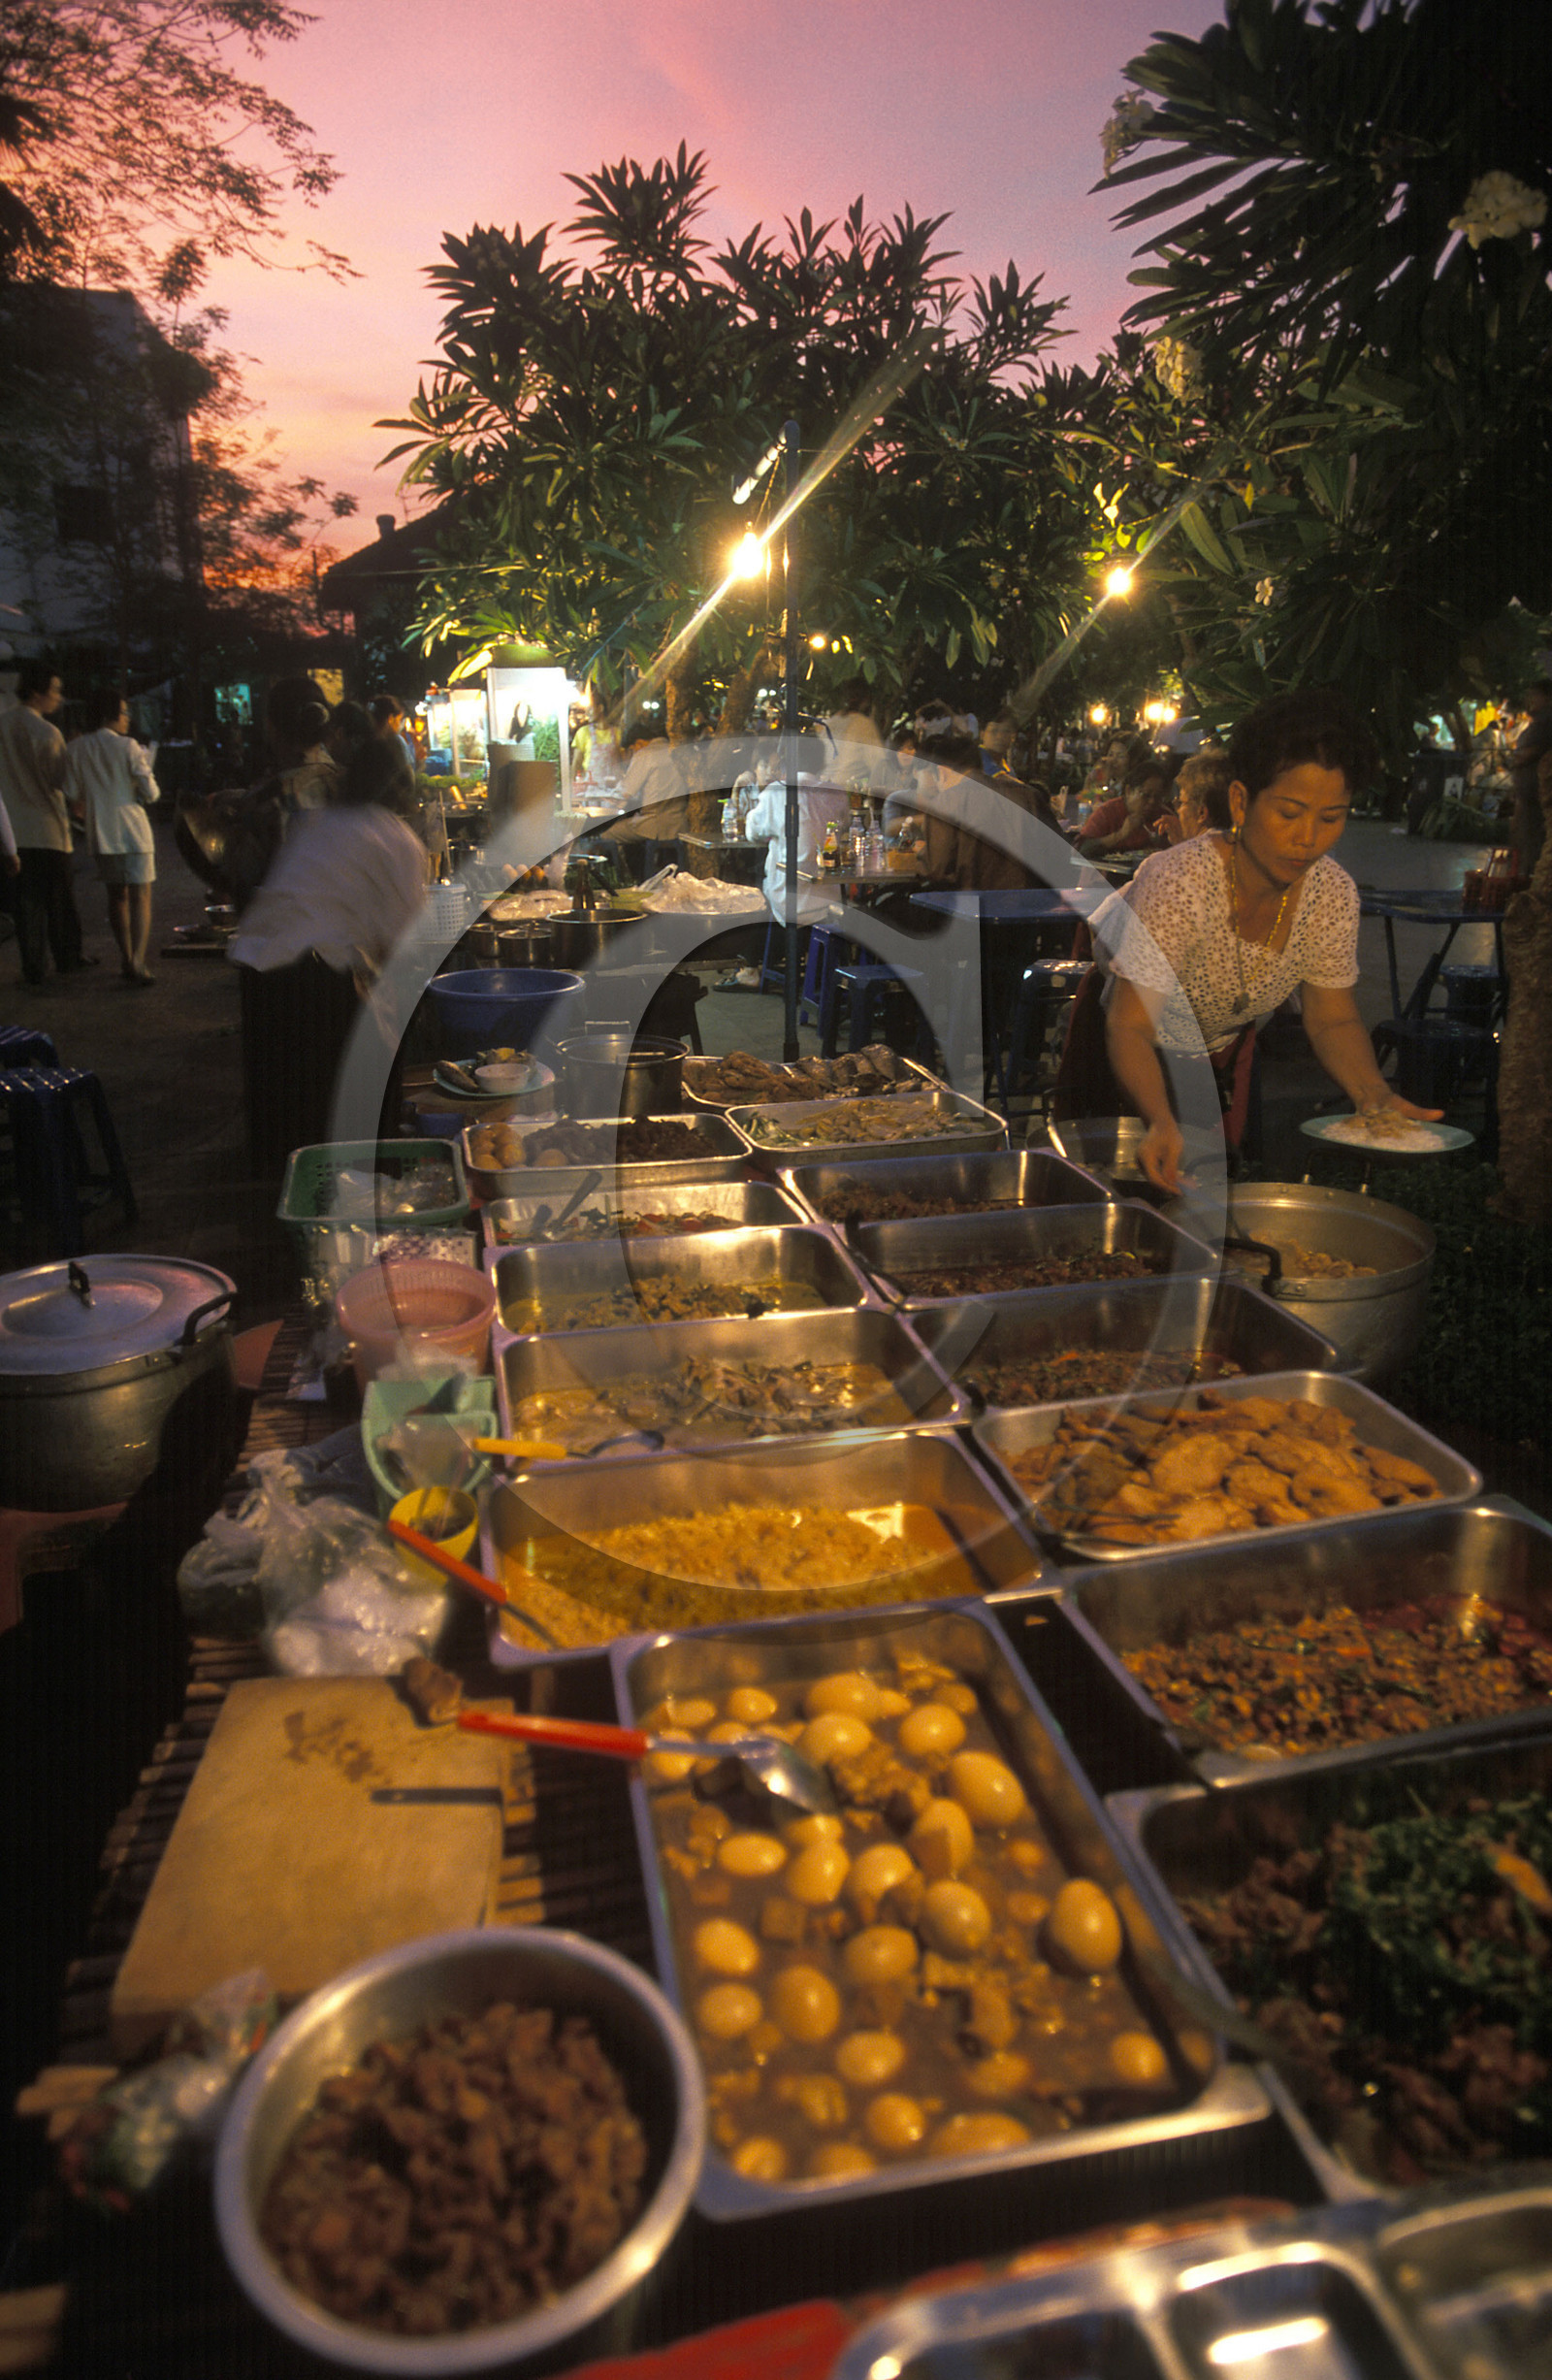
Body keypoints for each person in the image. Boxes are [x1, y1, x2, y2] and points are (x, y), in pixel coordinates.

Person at [1101, 686, 1441, 1191]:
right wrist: (1161, 1119)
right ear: (1241, 801)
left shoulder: (1331, 895)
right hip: (1124, 1060)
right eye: (1289, 813)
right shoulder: (1181, 882)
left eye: (1331, 818)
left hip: (1222, 1056)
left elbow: (1333, 1017)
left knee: (1215, 1204)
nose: (1308, 838)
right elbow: (1129, 1025)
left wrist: (1373, 1093)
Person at [229, 737, 428, 1172]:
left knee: (290, 1099)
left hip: (258, 967)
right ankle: (366, 1183)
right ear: (403, 786)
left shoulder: (316, 822)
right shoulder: (399, 840)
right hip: (317, 974)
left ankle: (293, 1185)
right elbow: (400, 940)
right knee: (361, 1090)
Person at [64, 689, 159, 984]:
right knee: (141, 894)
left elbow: (70, 792)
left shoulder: (77, 747)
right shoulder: (129, 747)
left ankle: (125, 956)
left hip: (101, 832)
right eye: (124, 712)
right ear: (110, 715)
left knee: (117, 896)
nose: (128, 718)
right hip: (133, 830)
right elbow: (152, 794)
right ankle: (137, 961)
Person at [0, 659, 81, 983]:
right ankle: (67, 958)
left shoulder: (2, 724)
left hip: (12, 831)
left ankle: (32, 965)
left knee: (25, 903)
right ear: (37, 692)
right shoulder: (47, 732)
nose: (59, 698)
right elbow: (62, 781)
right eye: (56, 691)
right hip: (47, 827)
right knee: (58, 899)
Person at [745, 767, 852, 924]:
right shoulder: (836, 792)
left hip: (786, 903)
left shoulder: (775, 791)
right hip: (831, 901)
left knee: (754, 882)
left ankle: (764, 941)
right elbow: (845, 825)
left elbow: (752, 833)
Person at [1079, 753, 1174, 856]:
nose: (1152, 802)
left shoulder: (1164, 817)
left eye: (1158, 797)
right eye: (1146, 795)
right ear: (1128, 791)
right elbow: (1082, 849)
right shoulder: (1108, 813)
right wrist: (1120, 835)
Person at [1507, 679, 1552, 877]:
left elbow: (1534, 751)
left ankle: (1528, 882)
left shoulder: (1547, 721)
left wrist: (1518, 758)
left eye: (1534, 695)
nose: (1529, 700)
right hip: (1528, 796)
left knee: (1531, 843)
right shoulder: (1539, 721)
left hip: (1537, 797)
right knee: (1524, 842)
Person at [369, 694, 419, 776]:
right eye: (399, 720)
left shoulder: (367, 741)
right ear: (390, 718)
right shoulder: (395, 741)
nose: (399, 725)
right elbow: (407, 775)